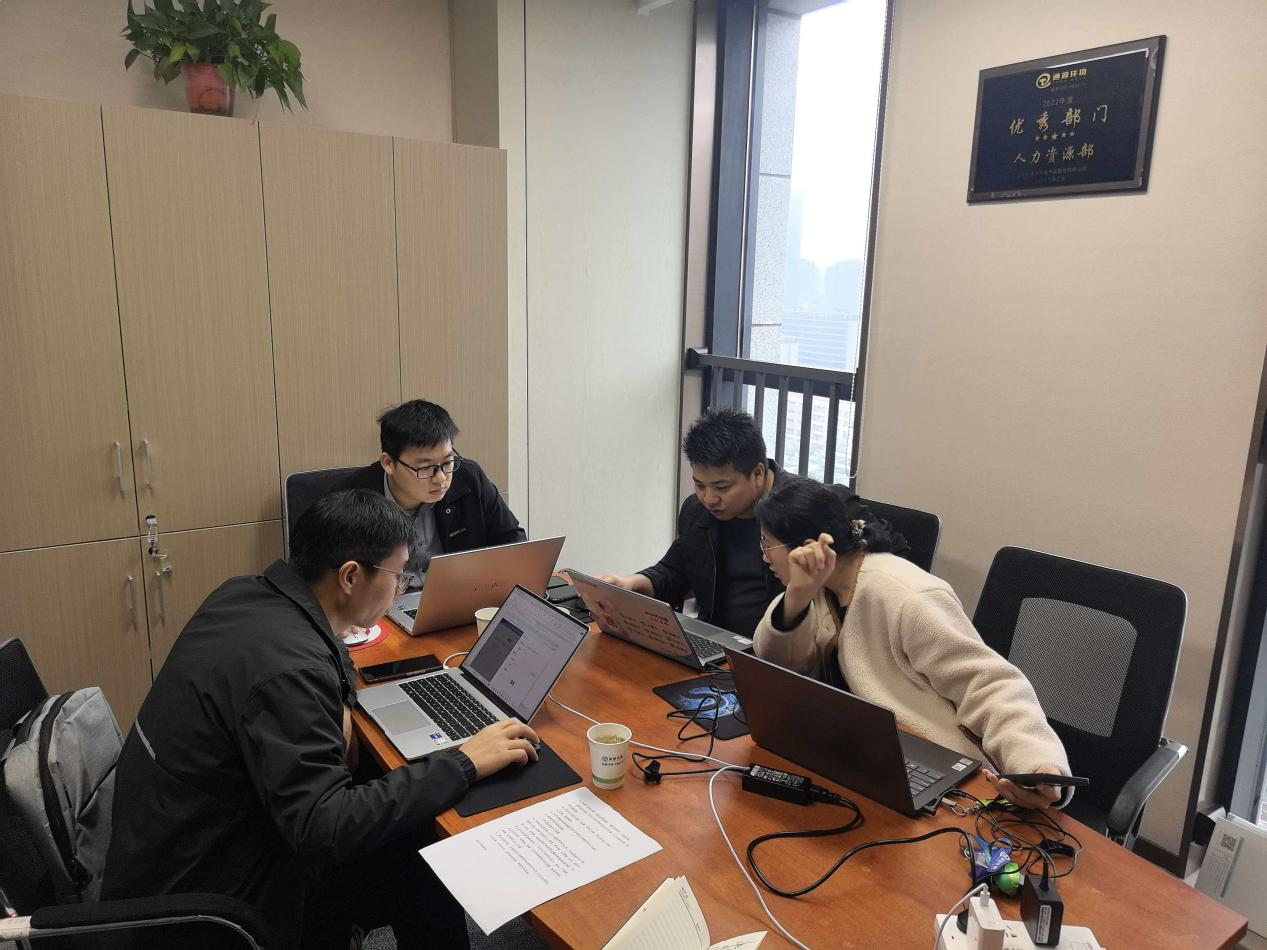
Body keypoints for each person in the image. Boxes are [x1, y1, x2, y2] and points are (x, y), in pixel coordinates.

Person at [102, 490, 540, 949]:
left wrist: (343, 703)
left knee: (407, 837)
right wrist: (463, 762)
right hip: (214, 905)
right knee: (419, 855)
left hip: (186, 846)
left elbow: (332, 648)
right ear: (350, 576)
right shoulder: (290, 670)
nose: (401, 588)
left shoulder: (247, 595)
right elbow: (326, 828)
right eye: (398, 575)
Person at [752, 475, 1070, 810]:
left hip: (943, 778)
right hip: (866, 756)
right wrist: (796, 598)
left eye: (767, 546)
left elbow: (988, 684)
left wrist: (1037, 763)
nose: (764, 558)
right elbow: (775, 666)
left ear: (807, 547)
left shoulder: (906, 596)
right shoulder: (819, 587)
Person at [600, 409, 907, 639]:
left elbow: (893, 563)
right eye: (699, 485)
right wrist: (631, 583)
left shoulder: (813, 506)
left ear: (758, 474)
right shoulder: (697, 511)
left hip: (790, 651)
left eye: (722, 487)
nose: (709, 499)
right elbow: (676, 570)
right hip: (716, 645)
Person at [344, 399, 525, 586]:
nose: (440, 478)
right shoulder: (353, 500)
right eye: (424, 468)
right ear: (388, 463)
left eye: (447, 462)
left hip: (461, 591)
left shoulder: (469, 478)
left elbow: (512, 540)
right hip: (389, 600)